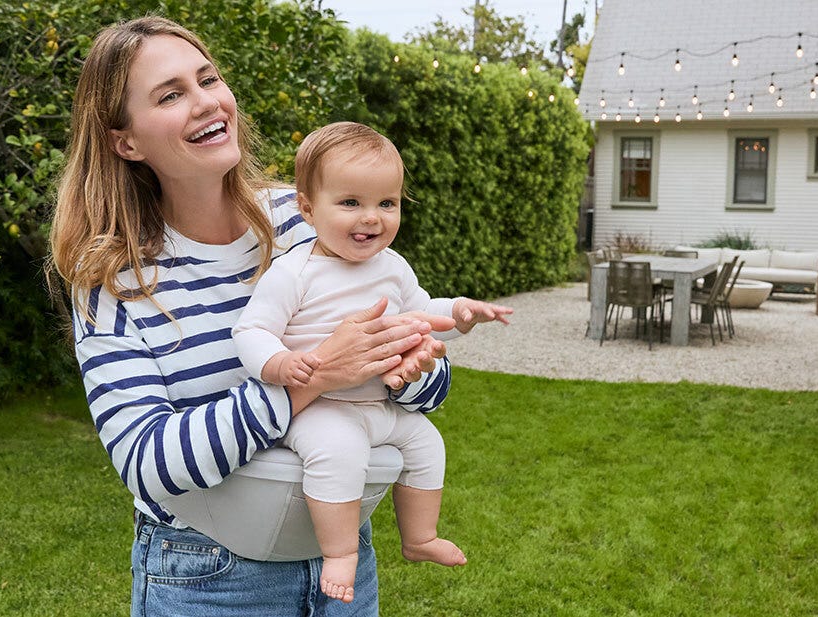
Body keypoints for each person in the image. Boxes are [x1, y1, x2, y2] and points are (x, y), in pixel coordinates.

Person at [47, 16, 456, 617]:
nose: (206, 102)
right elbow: (146, 463)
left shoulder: (309, 218)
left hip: (340, 556)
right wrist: (312, 376)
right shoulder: (114, 278)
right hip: (208, 579)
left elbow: (430, 389)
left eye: (207, 79)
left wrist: (409, 366)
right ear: (125, 142)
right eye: (170, 94)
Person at [232, 122, 512, 604]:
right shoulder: (295, 272)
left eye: (387, 203)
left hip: (382, 404)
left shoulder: (393, 266)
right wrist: (280, 364)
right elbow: (250, 331)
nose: (372, 218)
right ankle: (340, 554)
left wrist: (461, 312)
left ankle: (419, 537)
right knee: (338, 456)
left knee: (427, 444)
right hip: (322, 406)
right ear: (307, 209)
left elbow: (424, 308)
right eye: (351, 203)